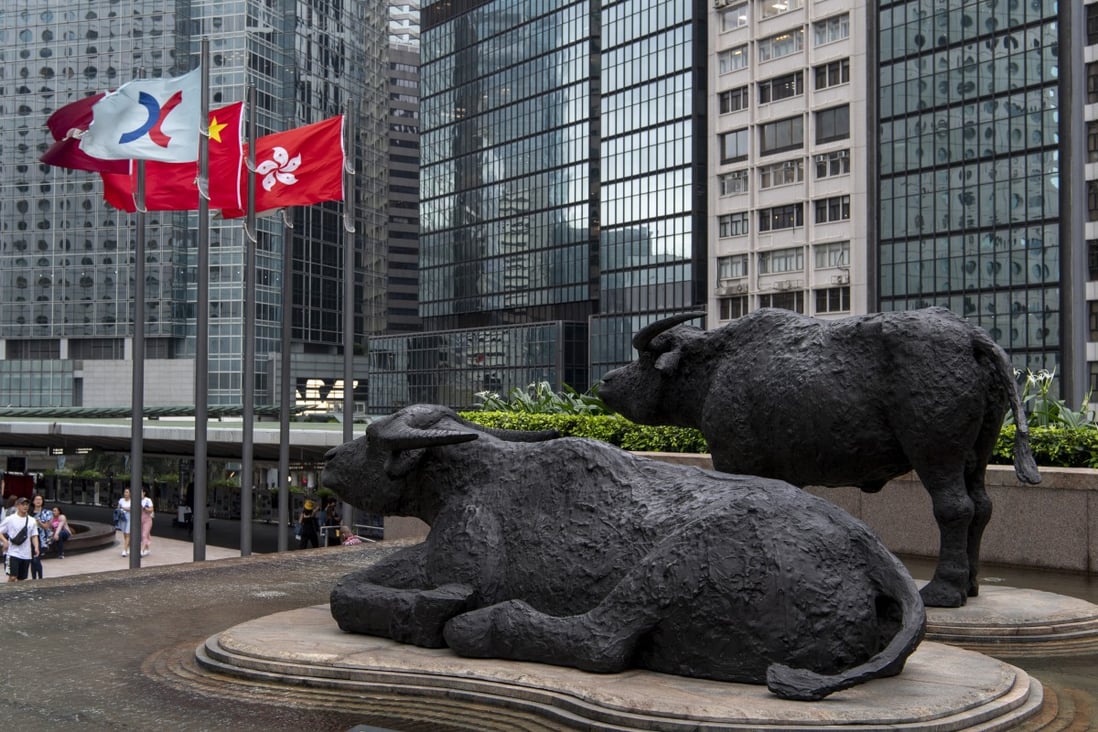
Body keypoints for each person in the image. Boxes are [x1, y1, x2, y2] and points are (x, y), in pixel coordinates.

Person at [1, 496, 40, 582]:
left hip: (26, 553)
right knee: (12, 577)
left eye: (27, 504)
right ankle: (9, 590)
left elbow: (34, 535)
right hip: (12, 552)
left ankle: (17, 591)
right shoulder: (10, 519)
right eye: (23, 504)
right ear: (17, 506)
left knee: (21, 579)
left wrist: (36, 547)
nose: (25, 506)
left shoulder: (32, 520)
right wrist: (4, 541)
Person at [29, 494, 52, 579]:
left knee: (36, 558)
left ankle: (40, 578)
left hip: (41, 538)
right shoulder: (29, 512)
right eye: (36, 499)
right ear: (33, 501)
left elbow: (46, 526)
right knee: (32, 560)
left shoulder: (47, 512)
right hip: (30, 537)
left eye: (40, 499)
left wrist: (39, 522)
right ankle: (34, 578)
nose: (38, 501)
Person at [117, 487, 132, 556]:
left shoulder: (132, 501)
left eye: (127, 492)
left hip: (129, 517)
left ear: (130, 493)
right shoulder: (121, 500)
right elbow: (118, 508)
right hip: (122, 517)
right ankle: (128, 547)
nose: (125, 493)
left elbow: (131, 509)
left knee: (128, 533)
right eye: (125, 492)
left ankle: (124, 550)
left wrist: (123, 508)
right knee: (124, 533)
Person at [139, 486, 154, 557]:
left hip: (147, 519)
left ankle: (142, 550)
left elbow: (151, 509)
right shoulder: (136, 500)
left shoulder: (148, 500)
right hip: (139, 520)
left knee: (144, 535)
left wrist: (145, 508)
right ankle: (147, 549)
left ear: (144, 493)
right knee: (145, 535)